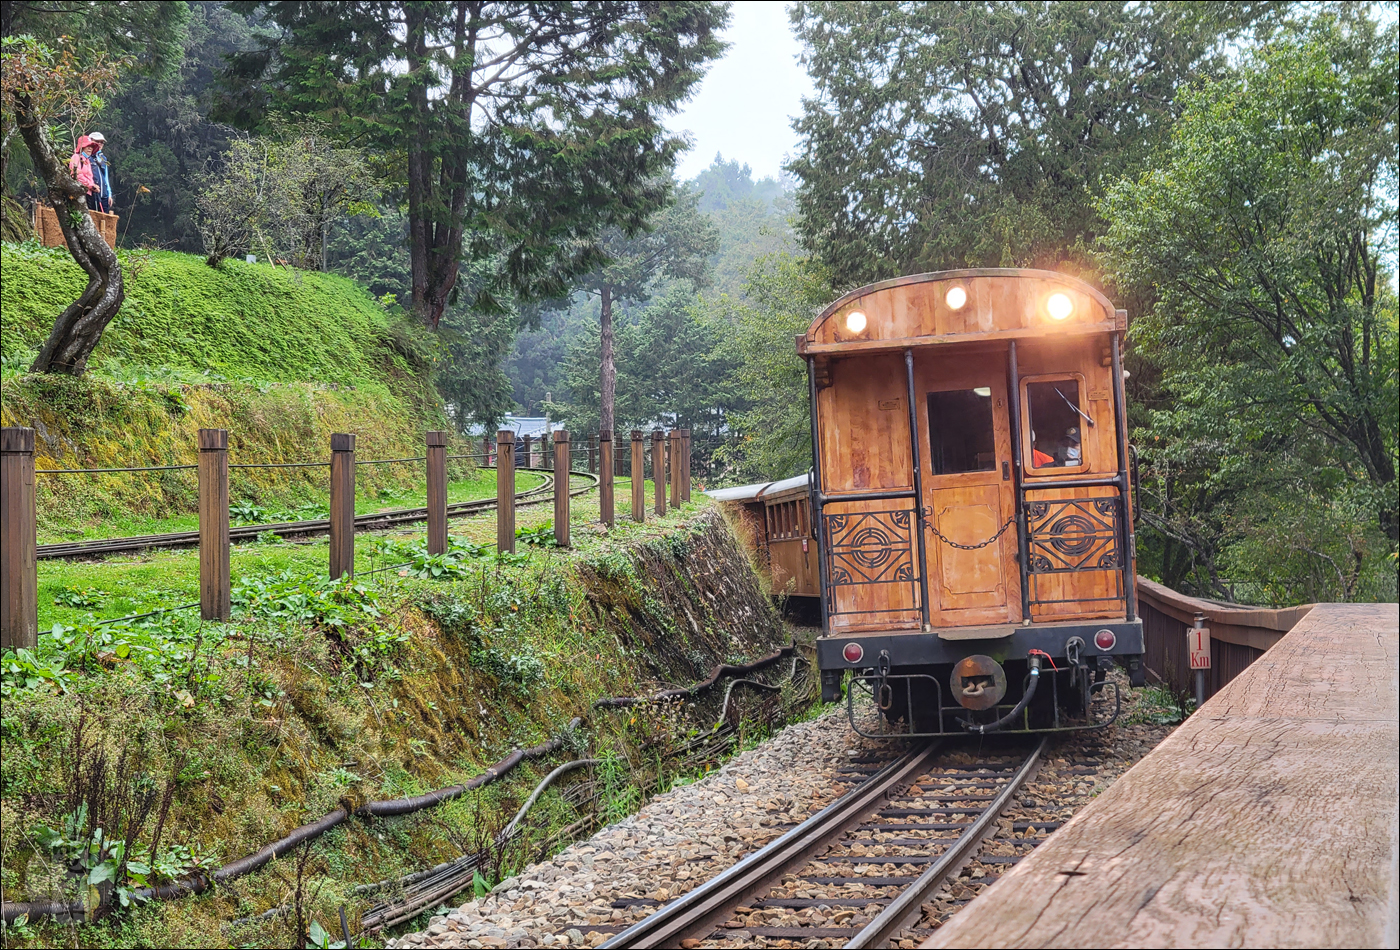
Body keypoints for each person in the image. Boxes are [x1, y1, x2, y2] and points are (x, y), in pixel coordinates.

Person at [67, 135, 100, 205]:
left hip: (88, 193)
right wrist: (91, 185)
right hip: (79, 192)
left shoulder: (87, 160)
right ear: (81, 147)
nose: (90, 148)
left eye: (91, 147)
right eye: (87, 146)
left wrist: (93, 186)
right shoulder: (76, 157)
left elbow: (89, 177)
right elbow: (76, 175)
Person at [88, 132, 112, 213]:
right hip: (92, 194)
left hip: (103, 195)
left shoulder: (103, 158)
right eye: (97, 141)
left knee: (104, 220)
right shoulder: (86, 157)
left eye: (101, 142)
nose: (99, 144)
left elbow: (106, 178)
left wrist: (109, 194)